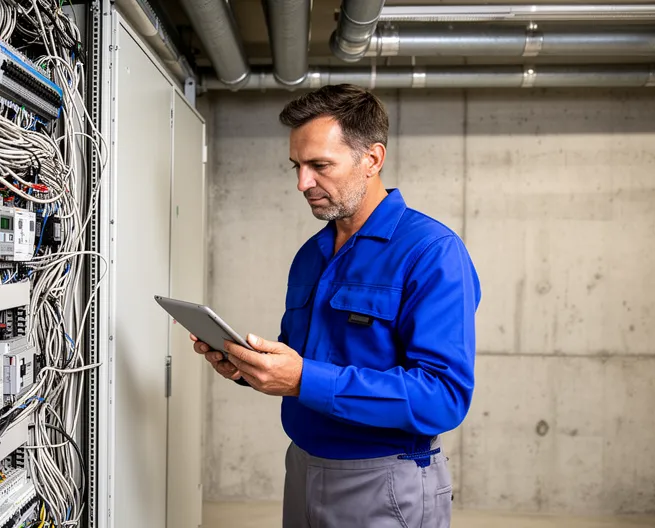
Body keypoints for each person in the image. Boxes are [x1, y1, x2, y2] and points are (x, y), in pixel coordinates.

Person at [191, 84, 481, 528]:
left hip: (386, 481)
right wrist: (251, 368)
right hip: (302, 467)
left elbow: (443, 397)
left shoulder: (432, 251)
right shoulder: (311, 254)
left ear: (373, 159)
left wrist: (303, 378)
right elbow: (304, 358)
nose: (302, 183)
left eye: (320, 166)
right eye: (297, 166)